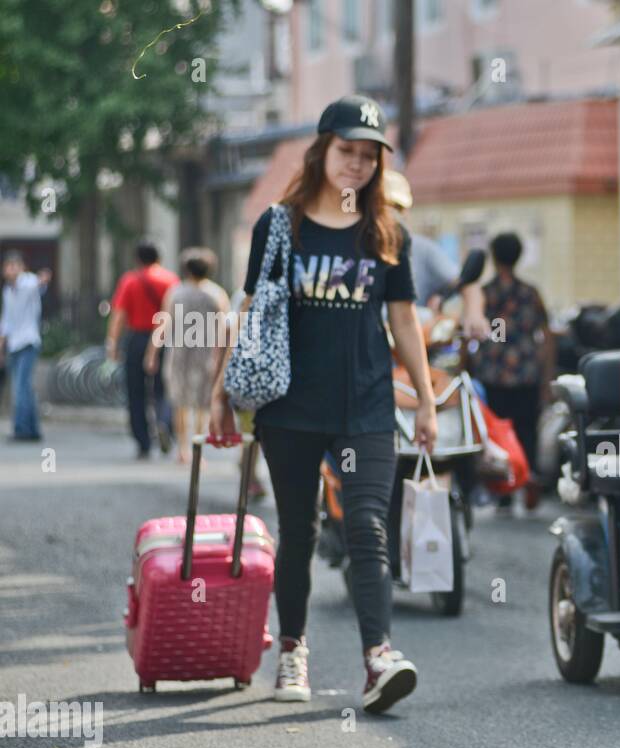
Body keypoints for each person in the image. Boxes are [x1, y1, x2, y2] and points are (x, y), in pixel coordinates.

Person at [210, 94, 437, 712]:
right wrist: (220, 395)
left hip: (365, 405)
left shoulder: (387, 230)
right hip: (290, 406)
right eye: (347, 151)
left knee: (366, 526)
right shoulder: (280, 226)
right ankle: (292, 649)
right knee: (300, 530)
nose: (357, 165)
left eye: (369, 156)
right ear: (322, 150)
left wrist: (423, 401)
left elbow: (403, 318)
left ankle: (378, 658)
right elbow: (251, 310)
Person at [475, 232, 555, 511]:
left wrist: (465, 366)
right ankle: (528, 478)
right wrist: (547, 377)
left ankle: (503, 489)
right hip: (526, 373)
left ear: (494, 257)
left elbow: (467, 334)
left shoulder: (484, 294)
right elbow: (546, 335)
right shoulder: (530, 293)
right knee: (526, 431)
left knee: (498, 432)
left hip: (493, 374)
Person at [381, 169, 490, 338]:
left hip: (412, 343)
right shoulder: (351, 249)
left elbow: (467, 284)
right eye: (382, 207)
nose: (390, 215)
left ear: (406, 212)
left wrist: (473, 314)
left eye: (397, 208)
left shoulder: (422, 250)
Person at [146, 248, 229, 463]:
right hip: (207, 353)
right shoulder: (217, 294)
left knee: (179, 402)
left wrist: (152, 353)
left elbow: (163, 323)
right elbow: (225, 329)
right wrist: (224, 357)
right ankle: (196, 448)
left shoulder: (176, 292)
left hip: (180, 352)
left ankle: (182, 448)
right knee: (202, 403)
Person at [108, 242, 178, 459]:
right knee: (163, 389)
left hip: (137, 338)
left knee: (135, 392)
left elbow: (119, 314)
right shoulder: (170, 280)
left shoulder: (130, 280)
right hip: (165, 338)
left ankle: (143, 441)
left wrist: (112, 343)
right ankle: (164, 423)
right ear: (159, 257)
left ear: (138, 259)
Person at [0, 252, 50, 441]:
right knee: (24, 388)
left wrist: (43, 279)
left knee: (21, 387)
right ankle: (33, 429)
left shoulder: (27, 282)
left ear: (21, 268)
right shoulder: (7, 291)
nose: (11, 270)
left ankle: (21, 429)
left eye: (15, 266)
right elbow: (6, 321)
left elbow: (38, 284)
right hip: (14, 344)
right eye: (8, 266)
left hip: (28, 342)